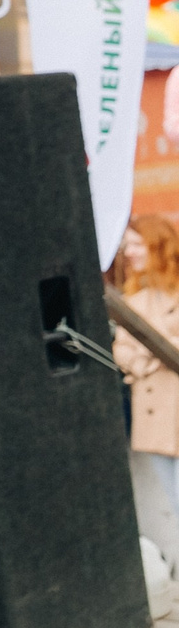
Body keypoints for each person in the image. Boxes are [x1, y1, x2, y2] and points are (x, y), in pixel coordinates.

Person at [116, 216, 179, 521]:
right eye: (129, 245)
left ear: (159, 245)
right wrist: (158, 350)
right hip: (154, 417)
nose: (131, 252)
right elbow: (123, 355)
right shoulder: (133, 302)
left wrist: (148, 348)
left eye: (138, 244)